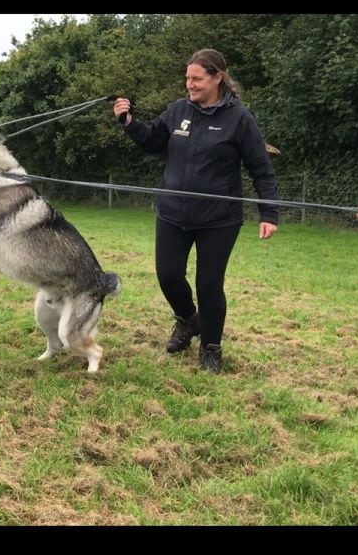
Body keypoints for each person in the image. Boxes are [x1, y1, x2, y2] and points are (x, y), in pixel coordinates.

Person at [114, 49, 279, 374]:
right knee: (168, 275)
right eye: (187, 78)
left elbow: (261, 169)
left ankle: (211, 348)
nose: (189, 84)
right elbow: (151, 143)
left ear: (218, 77)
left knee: (209, 285)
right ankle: (188, 321)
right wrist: (128, 122)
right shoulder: (177, 111)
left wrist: (269, 213)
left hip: (219, 219)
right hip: (173, 212)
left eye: (196, 79)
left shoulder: (240, 119)